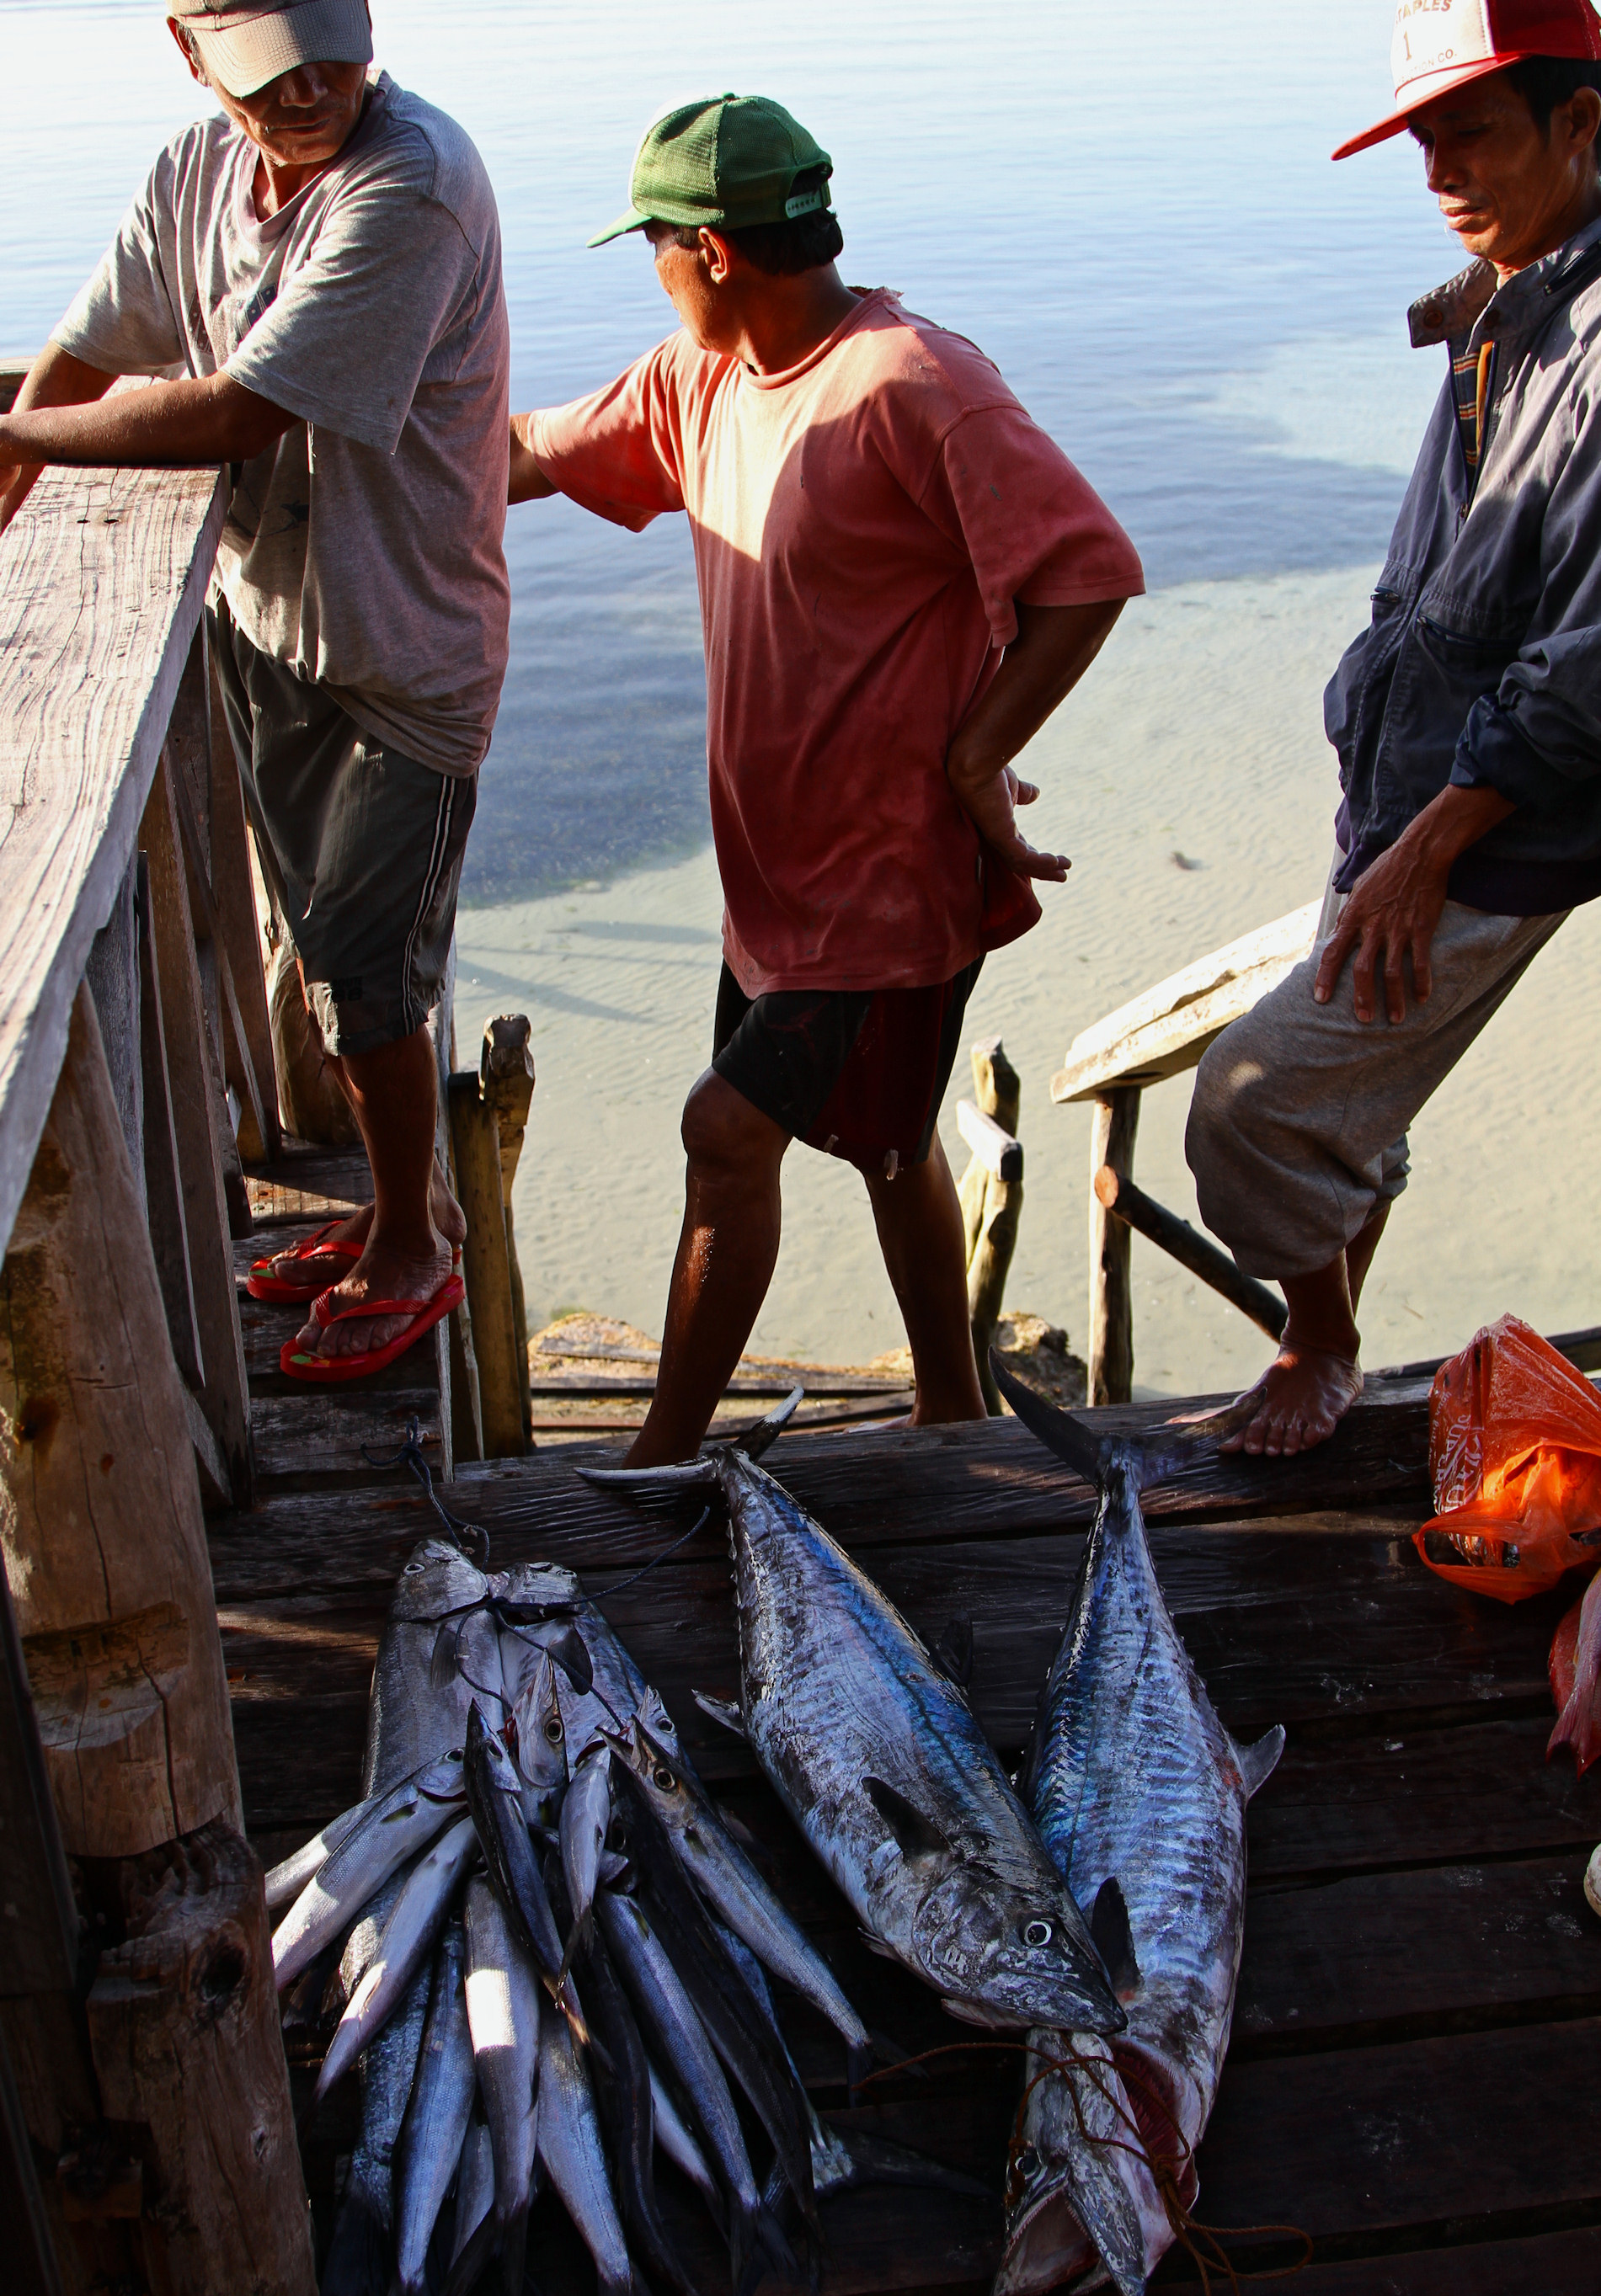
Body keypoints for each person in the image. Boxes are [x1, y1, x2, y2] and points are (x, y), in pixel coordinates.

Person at [509, 93, 1144, 1466]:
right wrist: (319, 453)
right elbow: (521, 454)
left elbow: (1087, 573)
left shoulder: (917, 384)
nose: (655, 272)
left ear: (714, 250)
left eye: (656, 247)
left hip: (887, 877)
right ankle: (953, 1408)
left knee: (724, 1131)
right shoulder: (701, 381)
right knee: (892, 1141)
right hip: (775, 878)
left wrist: (979, 748)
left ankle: (658, 1460)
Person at [0, 0, 510, 1382]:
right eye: (274, 75)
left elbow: (239, 409)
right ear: (194, 57)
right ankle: (410, 1210)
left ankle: (413, 1247)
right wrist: (15, 474)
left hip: (406, 656)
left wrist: (13, 428)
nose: (312, 92)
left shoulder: (414, 185)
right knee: (322, 952)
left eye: (332, 57)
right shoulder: (195, 173)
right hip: (268, 625)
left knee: (366, 970)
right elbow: (99, 338)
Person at [1187, 0, 1601, 1457]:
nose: (1438, 170)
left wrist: (1430, 844)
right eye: (1421, 139)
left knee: (1248, 1103)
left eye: (1471, 132)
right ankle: (1328, 1343)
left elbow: (1589, 666)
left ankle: (1324, 1339)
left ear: (1581, 122)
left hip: (1498, 812)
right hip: (1407, 772)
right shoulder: (1514, 295)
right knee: (1350, 1086)